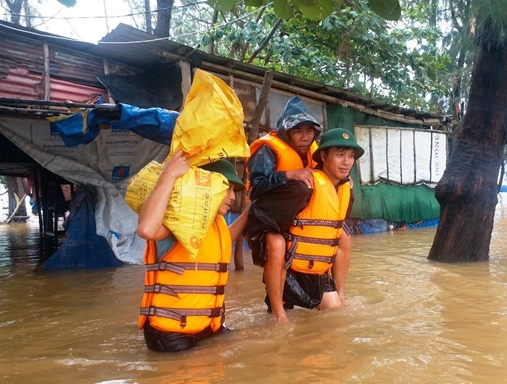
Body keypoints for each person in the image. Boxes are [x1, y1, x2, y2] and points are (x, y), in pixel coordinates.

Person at [136, 150, 250, 352]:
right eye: (227, 188)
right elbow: (146, 229)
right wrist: (169, 175)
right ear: (206, 187)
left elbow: (223, 241)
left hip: (207, 326)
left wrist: (251, 209)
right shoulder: (178, 220)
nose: (233, 196)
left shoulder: (216, 222)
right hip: (171, 333)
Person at [248, 126, 364, 323]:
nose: (346, 162)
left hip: (318, 271)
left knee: (344, 234)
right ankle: (278, 313)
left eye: (351, 156)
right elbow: (262, 218)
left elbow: (332, 232)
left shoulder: (345, 189)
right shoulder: (303, 186)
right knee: (275, 240)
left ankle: (340, 294)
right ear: (324, 157)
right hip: (290, 271)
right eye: (340, 155)